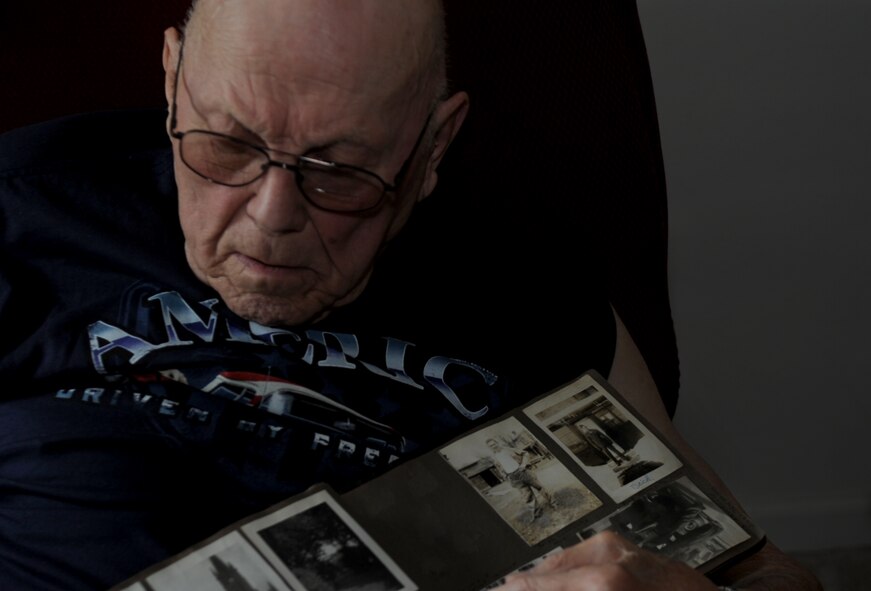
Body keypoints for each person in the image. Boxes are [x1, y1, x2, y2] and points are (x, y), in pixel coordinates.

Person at [0, 1, 821, 590]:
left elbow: (760, 562)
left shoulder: (526, 277)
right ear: (173, 75)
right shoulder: (26, 207)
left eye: (340, 172)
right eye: (228, 144)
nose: (270, 218)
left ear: (433, 145)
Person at [486, 437, 557, 520]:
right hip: (513, 477)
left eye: (494, 444)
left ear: (497, 443)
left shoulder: (508, 449)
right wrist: (506, 476)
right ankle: (537, 513)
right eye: (491, 446)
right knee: (527, 496)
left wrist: (523, 464)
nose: (493, 446)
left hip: (523, 472)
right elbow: (499, 469)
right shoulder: (495, 458)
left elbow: (525, 453)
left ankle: (553, 503)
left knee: (540, 488)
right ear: (489, 447)